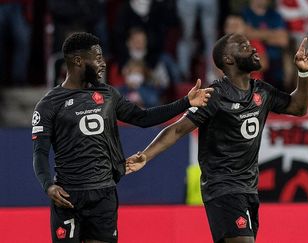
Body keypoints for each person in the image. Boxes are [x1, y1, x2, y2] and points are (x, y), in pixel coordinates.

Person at [126, 33, 308, 243]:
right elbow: (178, 129)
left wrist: (303, 74)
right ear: (228, 59)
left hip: (249, 189)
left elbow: (298, 107)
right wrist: (146, 155)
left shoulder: (262, 91)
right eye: (244, 46)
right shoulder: (214, 96)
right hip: (222, 187)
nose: (253, 49)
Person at [31, 32, 213, 243]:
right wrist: (48, 186)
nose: (103, 64)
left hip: (104, 194)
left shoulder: (108, 95)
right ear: (78, 60)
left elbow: (143, 118)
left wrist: (185, 102)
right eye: (97, 58)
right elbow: (40, 153)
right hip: (68, 196)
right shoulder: (49, 104)